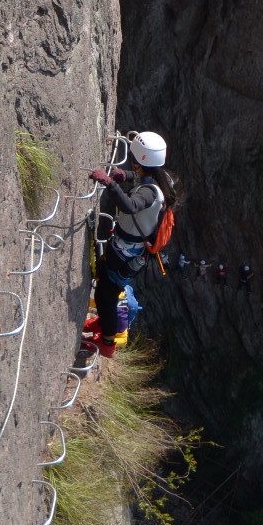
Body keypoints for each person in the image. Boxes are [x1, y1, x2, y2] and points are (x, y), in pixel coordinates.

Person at [84, 131, 176, 360]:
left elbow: (131, 205)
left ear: (140, 161)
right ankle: (103, 323)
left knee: (107, 296)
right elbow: (142, 180)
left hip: (125, 252)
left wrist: (109, 183)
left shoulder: (148, 193)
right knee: (107, 289)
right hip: (131, 250)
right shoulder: (161, 179)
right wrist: (123, 176)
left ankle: (107, 343)